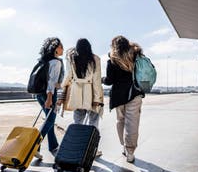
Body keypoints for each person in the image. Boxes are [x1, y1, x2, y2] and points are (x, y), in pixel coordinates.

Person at [102, 35, 144, 163]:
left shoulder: (112, 60)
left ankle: (124, 147)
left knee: (120, 121)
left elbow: (109, 81)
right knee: (132, 123)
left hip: (119, 97)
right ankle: (130, 152)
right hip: (134, 93)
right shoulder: (136, 56)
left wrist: (102, 79)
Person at [58, 38, 104, 156]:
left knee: (78, 122)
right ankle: (92, 150)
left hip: (76, 94)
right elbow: (97, 81)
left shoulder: (71, 58)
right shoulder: (95, 59)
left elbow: (68, 76)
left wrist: (62, 85)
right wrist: (98, 99)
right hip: (92, 95)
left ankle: (76, 148)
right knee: (93, 123)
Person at [35, 37, 64, 159]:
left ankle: (53, 145)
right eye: (61, 46)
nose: (63, 49)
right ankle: (34, 146)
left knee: (48, 120)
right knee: (50, 121)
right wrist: (49, 98)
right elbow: (52, 82)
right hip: (49, 94)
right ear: (56, 49)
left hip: (39, 94)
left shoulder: (43, 61)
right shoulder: (56, 62)